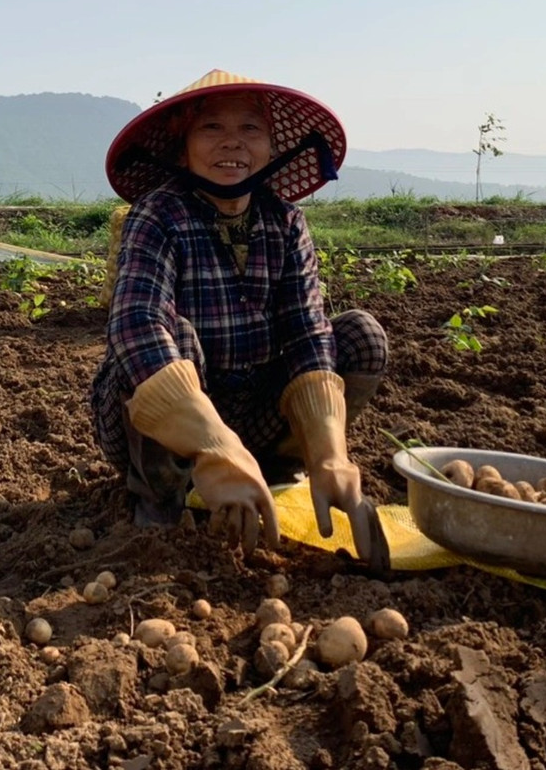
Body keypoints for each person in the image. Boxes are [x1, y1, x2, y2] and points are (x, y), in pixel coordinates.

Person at [91, 69, 389, 569]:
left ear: (273, 148)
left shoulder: (285, 221)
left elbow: (307, 336)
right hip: (168, 422)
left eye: (250, 129)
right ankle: (163, 497)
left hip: (255, 405)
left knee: (359, 335)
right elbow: (136, 322)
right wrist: (213, 442)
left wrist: (329, 452)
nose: (233, 143)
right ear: (182, 147)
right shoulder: (158, 215)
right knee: (162, 337)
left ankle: (279, 468)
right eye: (211, 129)